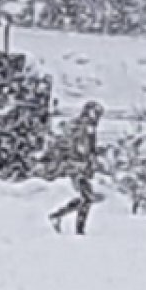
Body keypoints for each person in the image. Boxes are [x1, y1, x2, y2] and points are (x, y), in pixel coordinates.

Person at [48, 100, 105, 235]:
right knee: (87, 197)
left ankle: (60, 217)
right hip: (77, 167)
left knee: (86, 197)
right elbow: (79, 148)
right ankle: (72, 225)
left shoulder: (84, 127)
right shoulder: (83, 128)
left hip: (79, 166)